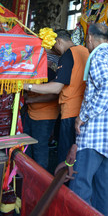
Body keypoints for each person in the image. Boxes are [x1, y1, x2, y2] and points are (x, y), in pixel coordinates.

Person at [69, 23, 108, 216]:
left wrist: (82, 116)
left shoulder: (97, 57)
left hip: (93, 138)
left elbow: (107, 91)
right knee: (103, 192)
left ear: (89, 39)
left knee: (80, 188)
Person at [24, 29, 89, 164]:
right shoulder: (84, 51)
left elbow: (56, 88)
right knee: (74, 157)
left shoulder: (67, 55)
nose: (55, 51)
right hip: (81, 110)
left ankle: (58, 185)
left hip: (70, 110)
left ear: (58, 41)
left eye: (54, 47)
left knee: (64, 157)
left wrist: (27, 86)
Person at [22, 53, 60, 170]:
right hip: (31, 113)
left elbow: (54, 95)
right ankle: (27, 175)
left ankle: (40, 181)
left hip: (45, 116)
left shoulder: (50, 72)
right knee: (27, 147)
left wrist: (31, 100)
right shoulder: (33, 72)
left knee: (40, 149)